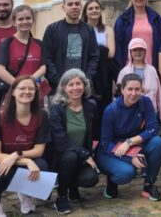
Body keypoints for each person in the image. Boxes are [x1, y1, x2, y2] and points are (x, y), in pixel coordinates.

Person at [0, 76, 50, 217]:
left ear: (36, 92)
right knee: (4, 170)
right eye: (22, 88)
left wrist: (16, 155)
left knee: (42, 166)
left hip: (19, 158)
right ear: (13, 92)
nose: (27, 92)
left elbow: (39, 150)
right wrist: (26, 161)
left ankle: (25, 193)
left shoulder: (41, 116)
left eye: (31, 89)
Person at [97, 73, 161, 201]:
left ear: (142, 90)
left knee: (158, 142)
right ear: (122, 90)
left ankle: (149, 185)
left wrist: (130, 142)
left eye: (137, 89)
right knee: (127, 173)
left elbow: (152, 129)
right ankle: (112, 180)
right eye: (130, 89)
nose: (133, 93)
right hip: (110, 151)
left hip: (133, 145)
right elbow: (106, 143)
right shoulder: (111, 110)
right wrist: (130, 158)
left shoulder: (145, 102)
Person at [48, 69, 100, 214]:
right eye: (70, 85)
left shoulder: (90, 106)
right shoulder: (57, 109)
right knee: (70, 156)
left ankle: (73, 187)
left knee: (91, 178)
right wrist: (84, 153)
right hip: (62, 157)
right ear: (64, 88)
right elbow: (60, 142)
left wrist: (92, 152)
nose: (75, 88)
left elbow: (95, 133)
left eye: (78, 84)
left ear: (84, 85)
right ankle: (62, 196)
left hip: (82, 157)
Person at [42, 0, 99, 89]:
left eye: (77, 4)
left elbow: (94, 57)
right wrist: (57, 81)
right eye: (70, 4)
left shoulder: (89, 30)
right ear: (63, 7)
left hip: (82, 85)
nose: (74, 7)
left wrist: (87, 79)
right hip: (58, 86)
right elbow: (47, 57)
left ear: (81, 6)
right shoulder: (52, 29)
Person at [81, 0, 120, 138]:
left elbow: (111, 53)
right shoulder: (81, 29)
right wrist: (101, 49)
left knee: (103, 106)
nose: (94, 10)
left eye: (97, 8)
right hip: (86, 72)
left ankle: (102, 138)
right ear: (85, 12)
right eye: (90, 8)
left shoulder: (107, 30)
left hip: (104, 74)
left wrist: (92, 52)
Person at [0, 5, 49, 103]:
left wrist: (30, 81)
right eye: (20, 19)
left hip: (34, 92)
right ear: (14, 22)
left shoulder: (39, 44)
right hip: (15, 93)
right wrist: (20, 85)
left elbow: (43, 68)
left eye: (28, 18)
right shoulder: (8, 42)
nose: (25, 22)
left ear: (33, 20)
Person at [114, 0, 161, 69]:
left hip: (151, 67)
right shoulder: (123, 19)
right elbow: (118, 45)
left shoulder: (156, 18)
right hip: (129, 69)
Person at [116, 38, 161, 123]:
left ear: (145, 51)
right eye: (135, 50)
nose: (138, 52)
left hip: (149, 113)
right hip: (129, 114)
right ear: (130, 52)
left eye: (141, 50)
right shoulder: (124, 72)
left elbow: (159, 94)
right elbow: (118, 95)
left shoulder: (152, 70)